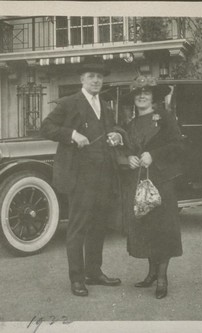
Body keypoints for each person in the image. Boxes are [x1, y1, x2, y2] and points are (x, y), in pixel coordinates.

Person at [40, 62, 124, 297]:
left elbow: (113, 127)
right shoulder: (69, 102)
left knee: (99, 227)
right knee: (78, 228)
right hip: (80, 177)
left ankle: (94, 272)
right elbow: (46, 127)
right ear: (82, 79)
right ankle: (77, 279)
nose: (96, 80)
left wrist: (116, 134)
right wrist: (72, 134)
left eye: (99, 76)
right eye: (91, 76)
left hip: (103, 176)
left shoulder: (105, 105)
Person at [120, 75, 184, 299]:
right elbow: (126, 149)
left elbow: (178, 145)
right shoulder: (130, 125)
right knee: (146, 227)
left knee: (163, 229)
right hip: (139, 182)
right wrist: (129, 158)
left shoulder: (165, 118)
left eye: (146, 92)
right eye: (138, 93)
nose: (142, 96)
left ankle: (162, 277)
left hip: (162, 180)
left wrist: (153, 155)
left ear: (153, 97)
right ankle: (151, 273)